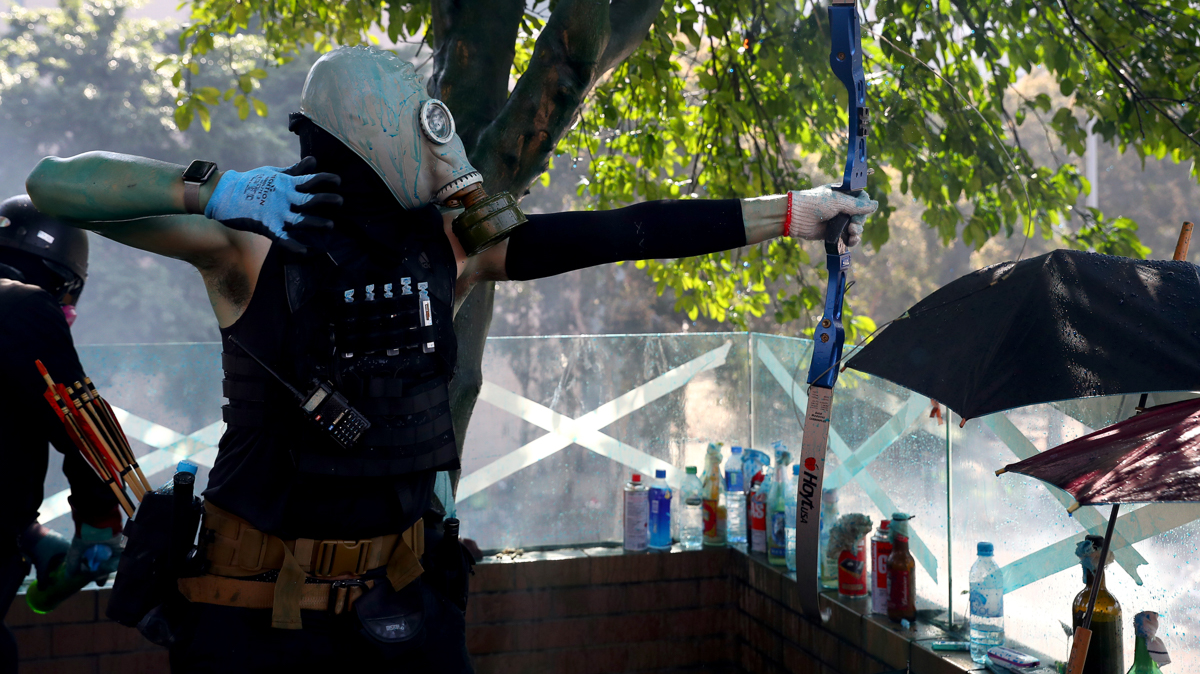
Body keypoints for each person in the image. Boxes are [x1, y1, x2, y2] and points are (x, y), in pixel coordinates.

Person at [26, 46, 876, 673]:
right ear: (378, 121)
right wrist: (215, 187)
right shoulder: (253, 240)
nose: (440, 130)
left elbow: (626, 231)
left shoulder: (450, 247)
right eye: (421, 112)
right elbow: (56, 184)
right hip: (258, 626)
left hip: (401, 614)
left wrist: (792, 212)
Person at [0, 196, 122, 674]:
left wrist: (25, 533)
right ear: (62, 281)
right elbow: (84, 425)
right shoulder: (23, 305)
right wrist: (98, 525)